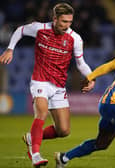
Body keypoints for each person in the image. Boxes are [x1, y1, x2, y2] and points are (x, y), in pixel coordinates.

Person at [0, 3, 95, 167]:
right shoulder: (39, 28)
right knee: (41, 113)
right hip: (40, 80)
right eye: (63, 21)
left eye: (70, 22)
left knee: (63, 131)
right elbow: (20, 30)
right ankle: (35, 153)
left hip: (59, 86)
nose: (67, 26)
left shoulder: (75, 38)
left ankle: (32, 137)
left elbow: (81, 63)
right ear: (55, 18)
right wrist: (10, 49)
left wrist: (91, 78)